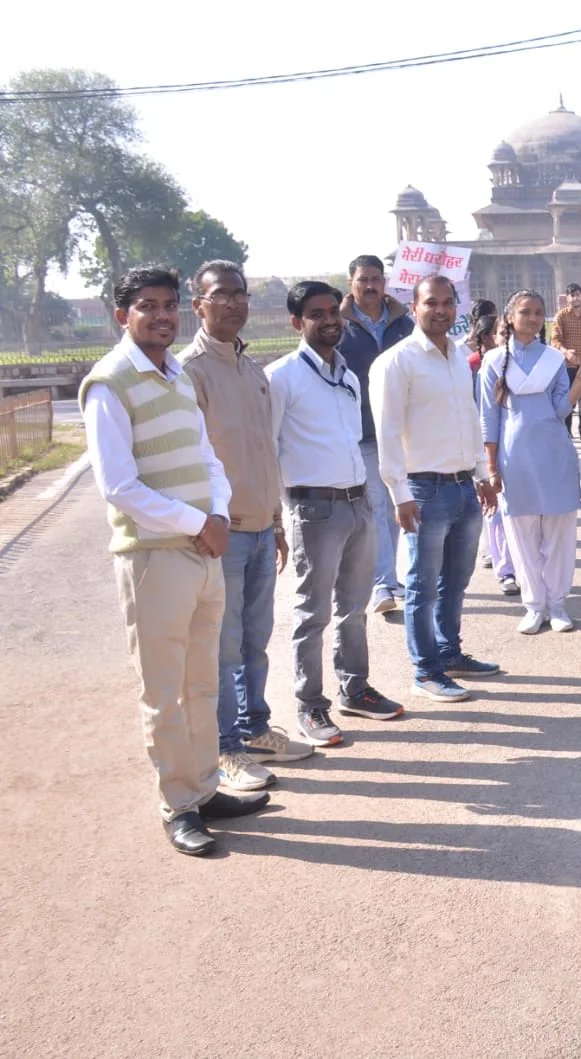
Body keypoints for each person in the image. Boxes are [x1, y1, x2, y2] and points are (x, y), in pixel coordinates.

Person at [81, 266, 267, 856]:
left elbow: (207, 457)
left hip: (201, 549)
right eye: (146, 306)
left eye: (167, 305)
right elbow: (118, 486)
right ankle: (178, 805)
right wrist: (199, 524)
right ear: (123, 316)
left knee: (201, 683)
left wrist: (216, 514)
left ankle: (205, 787)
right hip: (153, 557)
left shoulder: (177, 376)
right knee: (163, 690)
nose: (161, 315)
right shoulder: (110, 383)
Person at [178, 260, 311, 790]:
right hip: (222, 531)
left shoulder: (253, 371)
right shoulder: (191, 372)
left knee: (255, 639)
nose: (234, 303)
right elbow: (193, 461)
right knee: (222, 645)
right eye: (221, 295)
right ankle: (224, 747)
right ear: (199, 305)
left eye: (240, 294)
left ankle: (256, 729)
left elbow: (262, 454)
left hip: (259, 526)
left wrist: (276, 521)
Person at [267, 280, 406, 748]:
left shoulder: (347, 376)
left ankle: (355, 687)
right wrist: (275, 515)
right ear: (296, 322)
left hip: (356, 501)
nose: (329, 321)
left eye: (333, 312)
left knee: (355, 606)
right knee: (312, 611)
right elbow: (268, 449)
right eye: (316, 314)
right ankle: (310, 703)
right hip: (313, 508)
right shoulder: (281, 377)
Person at [372, 275, 502, 702]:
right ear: (414, 307)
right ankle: (425, 671)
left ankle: (449, 652)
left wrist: (482, 474)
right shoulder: (398, 362)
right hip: (423, 488)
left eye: (448, 303)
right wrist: (399, 495)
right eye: (432, 303)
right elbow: (387, 433)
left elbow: (470, 417)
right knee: (422, 585)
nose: (441, 310)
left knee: (456, 579)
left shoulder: (457, 355)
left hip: (464, 486)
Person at [481, 290, 581, 633]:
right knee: (522, 536)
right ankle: (534, 605)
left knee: (559, 534)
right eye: (525, 312)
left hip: (554, 456)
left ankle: (558, 603)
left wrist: (579, 378)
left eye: (539, 312)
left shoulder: (552, 359)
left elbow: (561, 410)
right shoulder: (493, 361)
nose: (533, 318)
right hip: (514, 459)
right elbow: (488, 419)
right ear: (510, 317)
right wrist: (491, 468)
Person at [336, 255, 414, 616]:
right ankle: (383, 582)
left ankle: (391, 576)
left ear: (385, 283)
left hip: (403, 429)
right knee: (376, 506)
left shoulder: (404, 324)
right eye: (363, 279)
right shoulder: (338, 326)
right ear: (351, 283)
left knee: (400, 501)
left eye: (376, 279)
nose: (370, 286)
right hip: (363, 430)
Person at [466, 299, 518, 597]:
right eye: (502, 333)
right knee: (496, 512)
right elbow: (482, 416)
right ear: (491, 337)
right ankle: (505, 570)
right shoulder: (480, 368)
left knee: (522, 514)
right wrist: (488, 461)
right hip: (488, 448)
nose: (507, 338)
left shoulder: (534, 363)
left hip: (520, 450)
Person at [550, 283, 581, 441]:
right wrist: (566, 353)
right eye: (572, 295)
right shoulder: (561, 316)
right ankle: (567, 431)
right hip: (567, 364)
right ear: (567, 297)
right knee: (569, 397)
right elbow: (554, 340)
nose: (576, 298)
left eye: (578, 294)